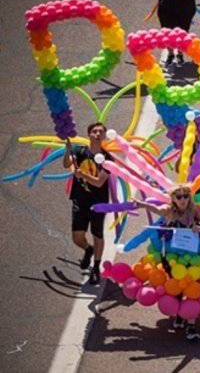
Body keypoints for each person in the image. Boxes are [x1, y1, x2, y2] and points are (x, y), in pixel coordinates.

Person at [134, 184, 200, 341]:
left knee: (193, 284)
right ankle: (179, 313)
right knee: (176, 285)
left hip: (193, 254)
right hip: (173, 256)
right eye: (179, 197)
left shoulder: (196, 209)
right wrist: (141, 204)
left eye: (186, 196)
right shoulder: (169, 210)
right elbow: (157, 210)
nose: (183, 199)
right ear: (173, 199)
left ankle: (191, 324)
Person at [62, 122, 112, 285]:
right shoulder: (80, 151)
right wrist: (67, 152)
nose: (97, 134)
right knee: (77, 237)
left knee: (97, 234)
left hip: (98, 203)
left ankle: (96, 267)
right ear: (89, 135)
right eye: (94, 131)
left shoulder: (108, 158)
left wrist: (83, 175)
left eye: (100, 132)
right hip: (79, 200)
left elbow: (99, 182)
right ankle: (87, 249)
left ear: (104, 136)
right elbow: (66, 164)